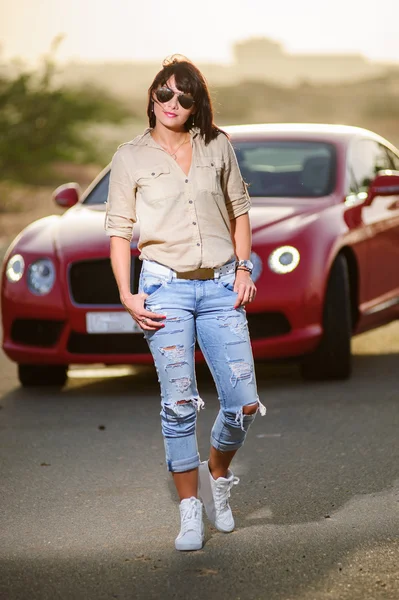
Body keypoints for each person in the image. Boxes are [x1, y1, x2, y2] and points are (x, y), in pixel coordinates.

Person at [104, 55, 266, 552]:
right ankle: (189, 512)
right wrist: (127, 295)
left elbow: (240, 211)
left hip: (220, 287)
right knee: (178, 404)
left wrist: (243, 268)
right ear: (152, 96)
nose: (173, 103)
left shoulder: (217, 145)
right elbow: (118, 232)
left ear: (197, 104)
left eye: (185, 96)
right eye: (165, 92)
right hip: (163, 289)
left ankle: (218, 475)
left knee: (243, 403)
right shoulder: (129, 156)